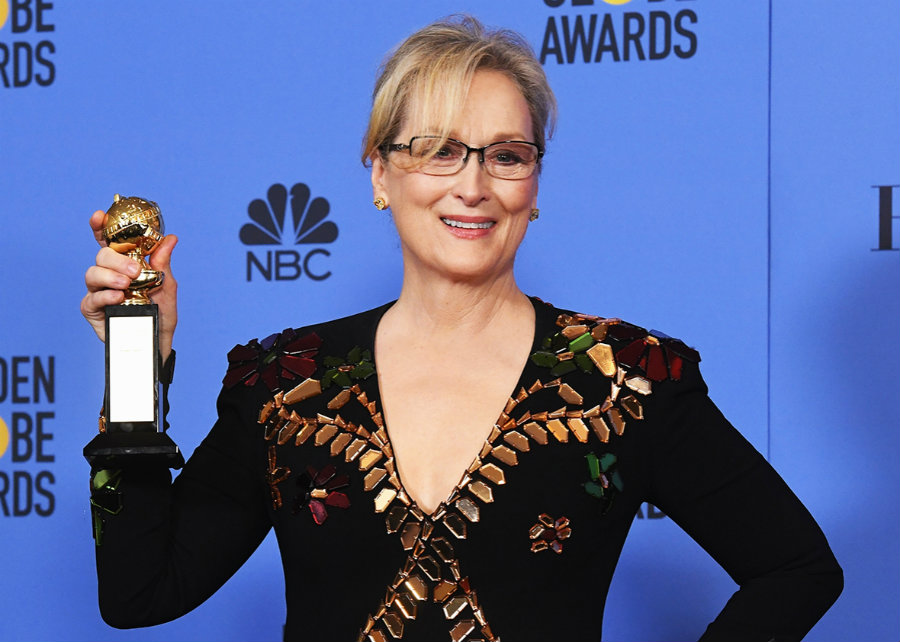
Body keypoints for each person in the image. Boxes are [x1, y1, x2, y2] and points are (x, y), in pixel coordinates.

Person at [80, 15, 842, 642]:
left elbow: (797, 568)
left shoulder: (624, 376)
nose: (473, 186)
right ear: (380, 173)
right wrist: (135, 352)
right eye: (438, 150)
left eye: (505, 156)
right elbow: (141, 592)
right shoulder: (286, 382)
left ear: (534, 184)